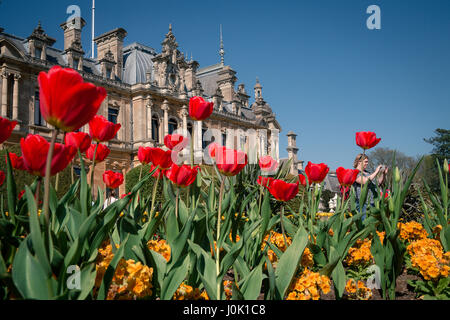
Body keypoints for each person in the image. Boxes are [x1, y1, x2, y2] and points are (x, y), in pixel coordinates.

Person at [352, 153, 388, 220]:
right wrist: (376, 171)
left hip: (372, 202)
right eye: (365, 162)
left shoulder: (368, 173)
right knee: (365, 224)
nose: (367, 163)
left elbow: (377, 183)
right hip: (363, 204)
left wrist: (383, 174)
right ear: (359, 162)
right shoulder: (355, 172)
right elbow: (365, 181)